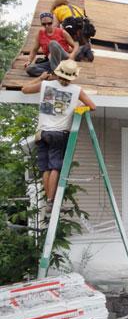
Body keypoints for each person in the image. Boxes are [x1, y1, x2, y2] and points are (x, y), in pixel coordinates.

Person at [21, 60, 96, 214]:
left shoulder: (45, 85)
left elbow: (24, 89)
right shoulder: (76, 90)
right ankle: (51, 201)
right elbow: (92, 106)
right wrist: (78, 108)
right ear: (73, 76)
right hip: (59, 133)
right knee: (55, 166)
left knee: (45, 169)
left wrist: (41, 78)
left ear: (57, 72)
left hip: (42, 133)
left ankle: (48, 201)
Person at [25, 12, 79, 77]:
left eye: (49, 23)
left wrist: (72, 55)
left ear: (52, 22)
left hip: (63, 59)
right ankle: (54, 73)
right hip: (51, 62)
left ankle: (56, 72)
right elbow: (34, 50)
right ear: (41, 24)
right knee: (30, 69)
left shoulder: (61, 32)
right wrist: (29, 61)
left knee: (52, 43)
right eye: (44, 24)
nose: (47, 26)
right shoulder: (40, 34)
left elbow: (76, 45)